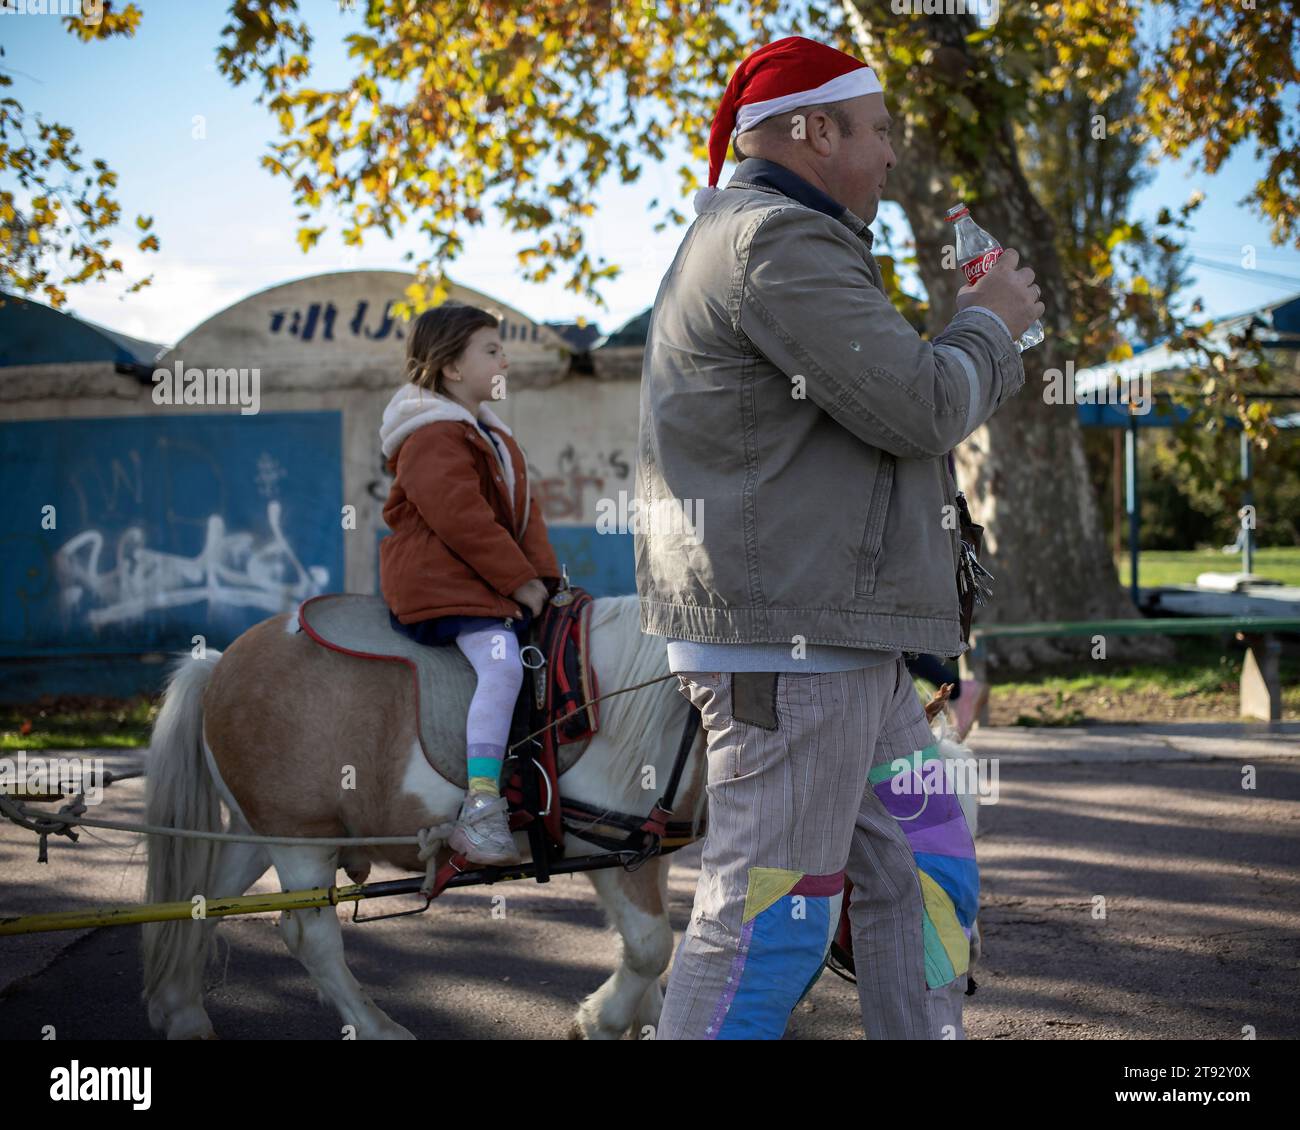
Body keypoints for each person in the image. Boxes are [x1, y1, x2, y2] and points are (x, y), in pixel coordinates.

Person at [635, 36, 1043, 1039]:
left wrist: (980, 333)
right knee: (773, 914)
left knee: (927, 859)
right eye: (879, 129)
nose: (893, 154)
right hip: (791, 651)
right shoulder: (776, 238)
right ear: (814, 131)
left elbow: (895, 414)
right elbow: (918, 406)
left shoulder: (780, 238)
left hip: (836, 647)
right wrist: (988, 321)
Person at [378, 303, 561, 865]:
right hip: (440, 582)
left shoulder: (490, 434)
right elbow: (461, 518)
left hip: (481, 580)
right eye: (491, 349)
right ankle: (480, 808)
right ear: (452, 368)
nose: (505, 358)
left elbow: (525, 518)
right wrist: (519, 583)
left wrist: (548, 583)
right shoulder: (433, 433)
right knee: (505, 662)